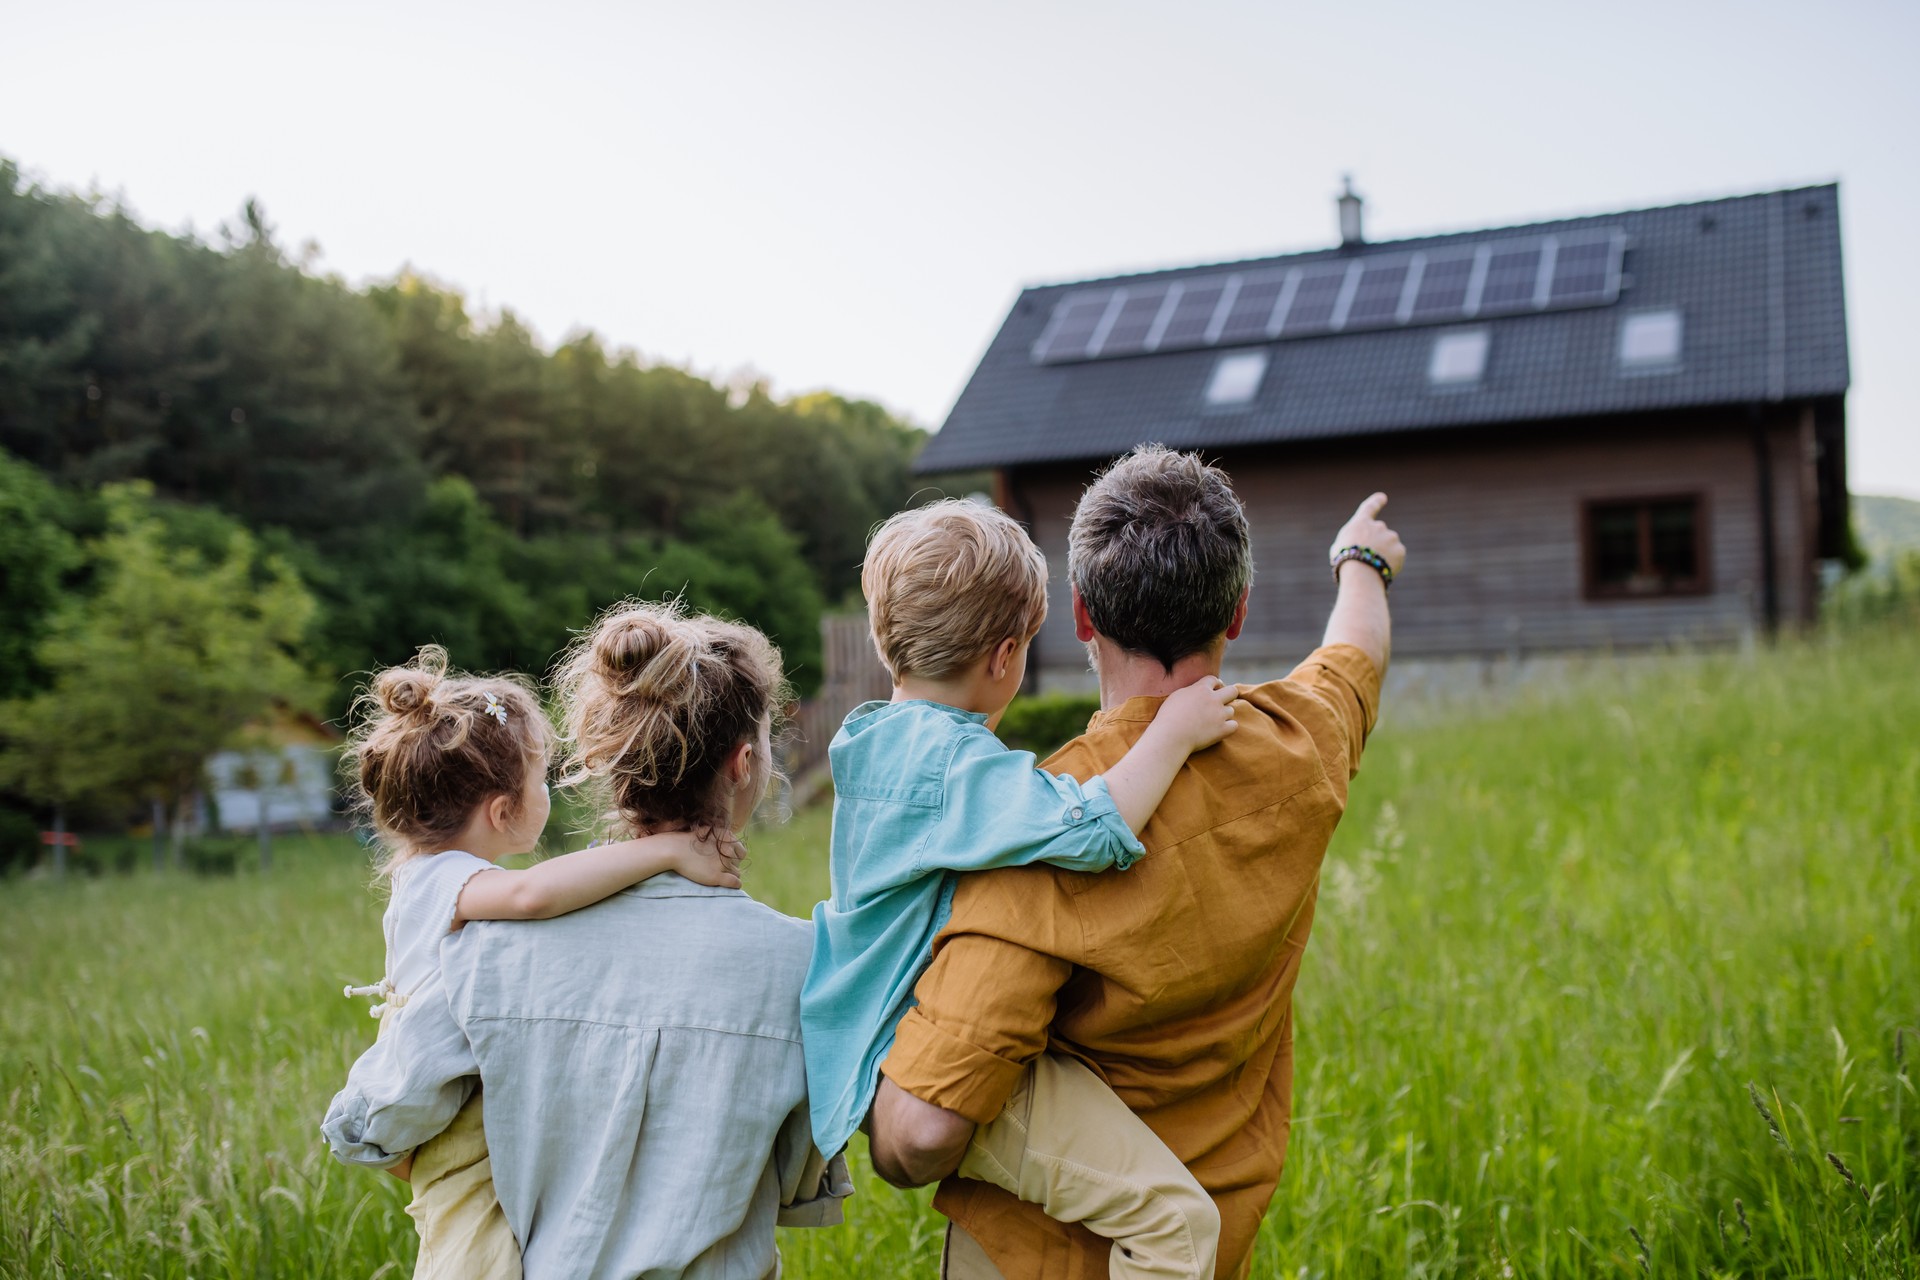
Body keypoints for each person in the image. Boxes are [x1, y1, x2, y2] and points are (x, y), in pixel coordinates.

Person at [867, 447, 1407, 1280]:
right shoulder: (1303, 744)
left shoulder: (1035, 830)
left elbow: (917, 1135)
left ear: (1081, 616)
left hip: (1030, 1260)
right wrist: (1361, 560)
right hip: (1208, 1247)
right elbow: (1354, 656)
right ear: (1237, 612)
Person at [324, 603, 851, 1279]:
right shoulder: (806, 966)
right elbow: (801, 1183)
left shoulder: (484, 951)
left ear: (608, 757)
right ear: (744, 762)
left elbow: (375, 1124)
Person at [803, 499, 1238, 1280]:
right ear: (1006, 658)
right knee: (1176, 1225)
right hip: (916, 1059)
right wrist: (1173, 729)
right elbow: (1089, 830)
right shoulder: (951, 767)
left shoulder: (869, 739)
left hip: (870, 1051)